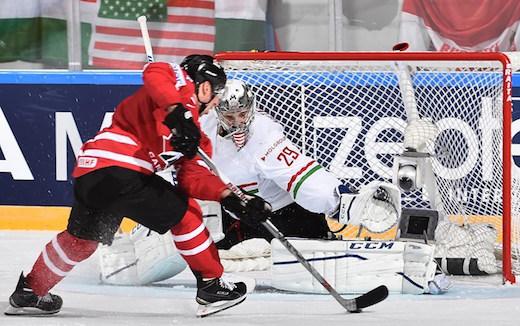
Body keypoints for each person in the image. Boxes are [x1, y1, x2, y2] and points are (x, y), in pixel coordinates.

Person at [4, 56, 272, 318]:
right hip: (120, 170)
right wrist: (177, 112)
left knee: (82, 241)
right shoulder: (177, 84)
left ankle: (31, 290)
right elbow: (155, 72)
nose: (215, 102)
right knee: (187, 214)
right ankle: (212, 286)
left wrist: (230, 198)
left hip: (94, 175)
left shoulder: (195, 136)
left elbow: (192, 178)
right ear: (204, 86)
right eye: (216, 93)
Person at [200, 79, 401, 249]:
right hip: (236, 218)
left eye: (242, 114)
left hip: (285, 218)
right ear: (217, 112)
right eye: (229, 116)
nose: (237, 123)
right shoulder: (205, 124)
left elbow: (302, 177)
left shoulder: (263, 135)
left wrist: (343, 204)